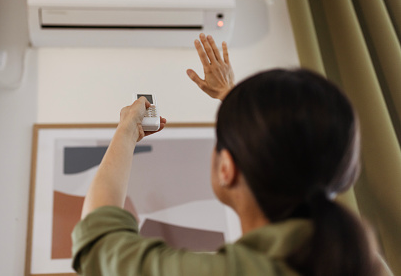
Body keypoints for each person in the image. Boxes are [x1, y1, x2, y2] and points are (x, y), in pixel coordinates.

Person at [71, 33, 388, 276]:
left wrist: (126, 129)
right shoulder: (367, 263)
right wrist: (232, 97)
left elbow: (100, 240)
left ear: (227, 168)